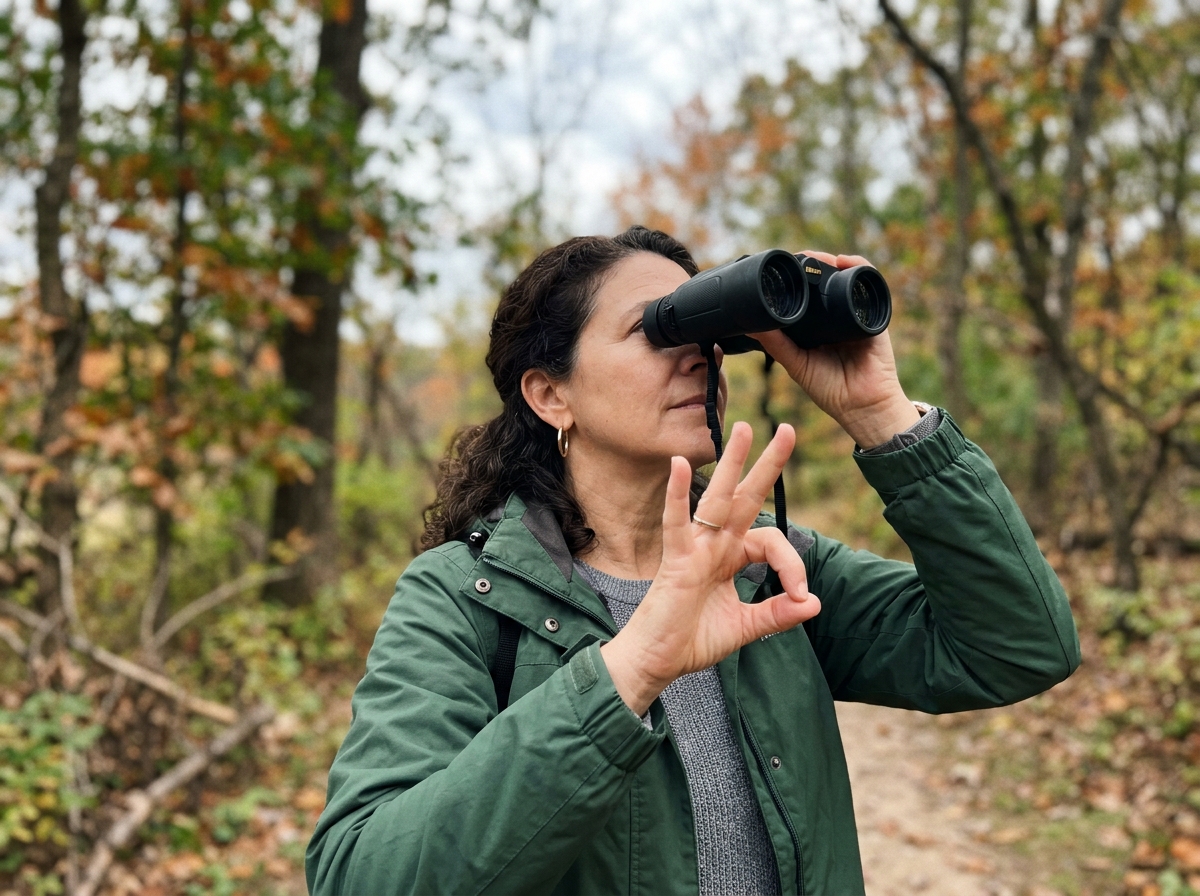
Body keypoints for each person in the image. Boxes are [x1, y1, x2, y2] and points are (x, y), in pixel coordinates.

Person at [305, 226, 1080, 895]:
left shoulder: (767, 568)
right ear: (550, 395)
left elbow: (1019, 648)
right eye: (656, 329)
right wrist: (635, 666)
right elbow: (362, 872)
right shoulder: (465, 599)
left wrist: (879, 413)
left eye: (706, 331)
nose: (699, 357)